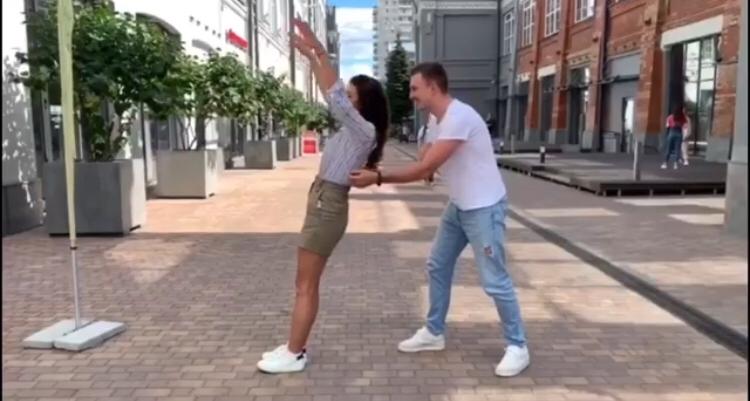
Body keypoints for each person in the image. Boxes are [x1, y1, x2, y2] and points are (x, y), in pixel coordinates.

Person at [349, 62, 530, 377]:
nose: (411, 95)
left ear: (433, 87)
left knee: (494, 281)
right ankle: (434, 332)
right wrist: (427, 161)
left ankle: (518, 347)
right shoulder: (436, 118)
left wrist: (377, 177)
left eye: (415, 88)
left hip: (484, 208)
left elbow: (422, 168)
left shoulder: (460, 118)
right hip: (459, 206)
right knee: (437, 264)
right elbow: (427, 159)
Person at [256, 19, 390, 374]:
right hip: (322, 200)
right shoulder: (354, 128)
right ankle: (294, 346)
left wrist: (319, 53)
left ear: (362, 104)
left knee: (305, 285)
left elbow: (333, 95)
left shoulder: (364, 130)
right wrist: (313, 57)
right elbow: (333, 94)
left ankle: (294, 353)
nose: (345, 98)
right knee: (304, 283)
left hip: (327, 205)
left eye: (351, 96)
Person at [662, 105, 688, 170]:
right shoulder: (683, 118)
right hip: (679, 134)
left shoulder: (670, 117)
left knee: (668, 149)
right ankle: (675, 164)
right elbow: (685, 127)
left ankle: (665, 163)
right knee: (677, 150)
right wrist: (684, 135)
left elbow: (667, 126)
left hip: (671, 133)